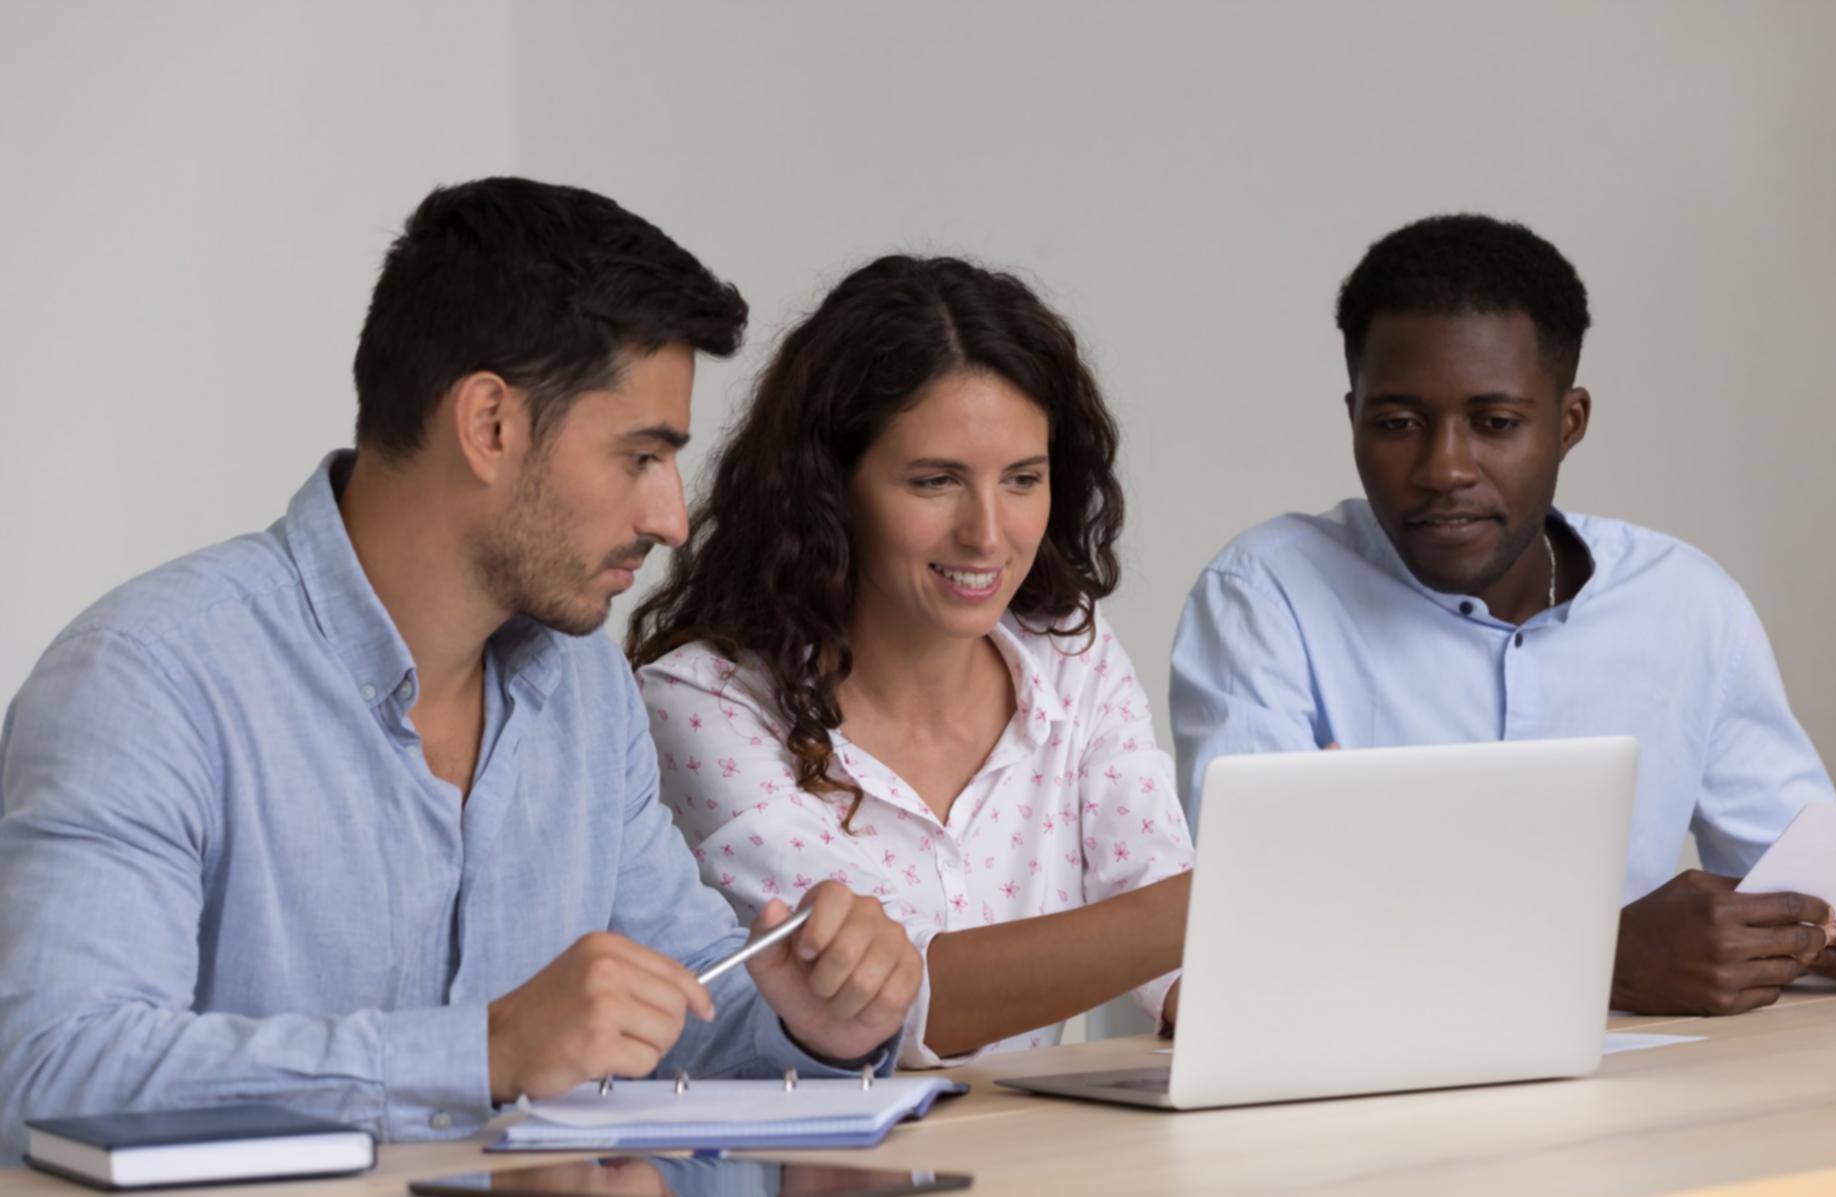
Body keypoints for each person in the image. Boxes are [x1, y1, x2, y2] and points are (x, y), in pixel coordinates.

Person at [0, 178, 921, 1157]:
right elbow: (48, 1069)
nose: (670, 519)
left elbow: (682, 997)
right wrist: (477, 1053)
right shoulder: (146, 679)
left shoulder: (586, 690)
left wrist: (809, 1024)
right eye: (640, 457)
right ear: (489, 424)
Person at [1170, 214, 1836, 1016]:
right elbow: (1257, 928)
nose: (1444, 468)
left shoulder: (1684, 605)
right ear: (1353, 416)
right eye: (1397, 423)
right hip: (1356, 1102)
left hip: (1642, 1098)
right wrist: (1597, 960)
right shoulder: (1265, 596)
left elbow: (1799, 891)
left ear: (1567, 422)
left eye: (1496, 423)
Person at [627, 255, 1193, 1067]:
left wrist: (1219, 973)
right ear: (827, 488)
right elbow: (890, 1002)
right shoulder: (698, 704)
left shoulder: (1074, 651)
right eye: (935, 481)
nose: (989, 535)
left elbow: (1155, 907)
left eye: (1023, 479)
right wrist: (1233, 897)